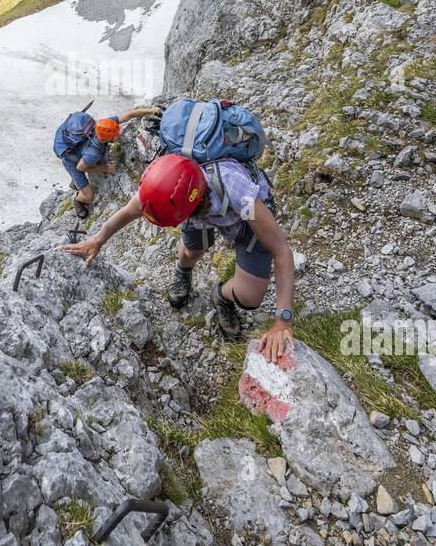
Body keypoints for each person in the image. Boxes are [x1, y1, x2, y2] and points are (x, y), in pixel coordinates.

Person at [64, 152, 295, 359]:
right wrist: (98, 239)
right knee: (191, 251)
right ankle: (183, 270)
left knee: (250, 298)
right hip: (196, 209)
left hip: (242, 218)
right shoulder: (161, 186)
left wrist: (283, 320)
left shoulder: (234, 187)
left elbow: (281, 251)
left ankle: (222, 295)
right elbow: (128, 211)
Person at [53, 106, 159, 219]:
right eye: (115, 135)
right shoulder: (94, 153)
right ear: (106, 139)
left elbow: (129, 115)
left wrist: (151, 111)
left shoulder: (103, 125)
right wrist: (105, 168)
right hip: (71, 161)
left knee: (89, 161)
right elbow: (80, 167)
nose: (118, 134)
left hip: (78, 150)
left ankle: (77, 181)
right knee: (88, 196)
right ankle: (77, 199)